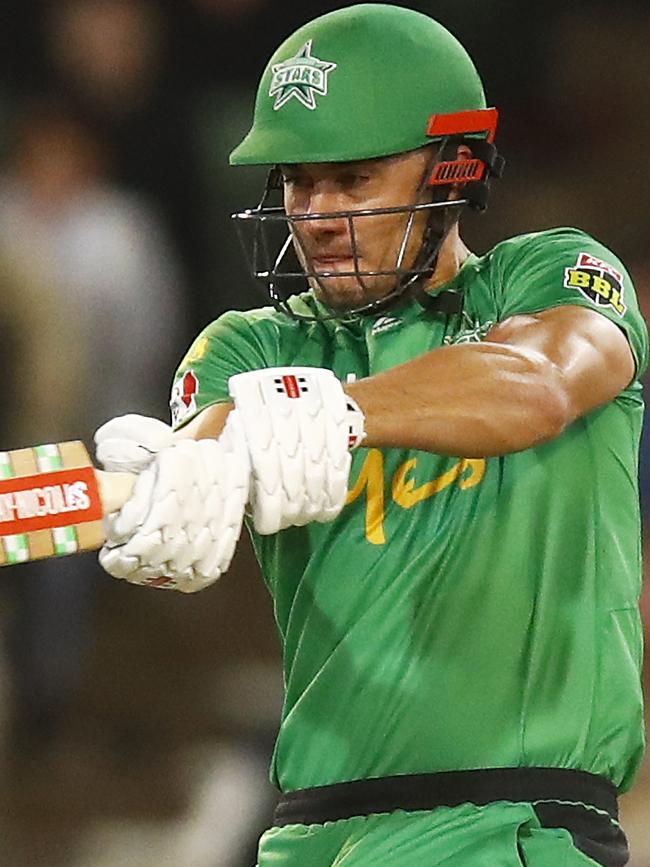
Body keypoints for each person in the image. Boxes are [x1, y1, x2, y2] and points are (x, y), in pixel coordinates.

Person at [92, 5, 647, 866]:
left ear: (452, 169)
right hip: (307, 837)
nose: (313, 215)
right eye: (297, 180)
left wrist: (341, 410)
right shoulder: (253, 345)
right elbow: (215, 434)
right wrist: (178, 482)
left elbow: (541, 382)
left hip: (513, 829)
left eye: (352, 180)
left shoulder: (553, 274)